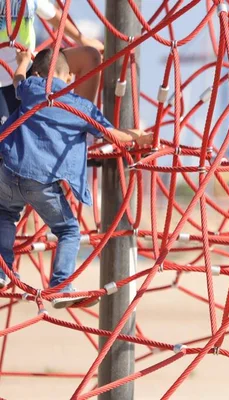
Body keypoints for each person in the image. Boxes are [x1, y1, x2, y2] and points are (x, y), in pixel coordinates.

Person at [0, 49, 151, 308]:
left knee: (4, 216)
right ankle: (60, 285)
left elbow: (17, 80)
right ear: (68, 76)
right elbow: (112, 134)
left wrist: (23, 62)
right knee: (68, 230)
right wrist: (138, 135)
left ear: (39, 73)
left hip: (8, 171)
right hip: (41, 181)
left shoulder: (32, 87)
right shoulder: (80, 106)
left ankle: (2, 272)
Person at [0, 0, 104, 124]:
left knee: (90, 56)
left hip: (31, 66)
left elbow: (52, 14)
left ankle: (81, 127)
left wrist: (83, 40)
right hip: (6, 81)